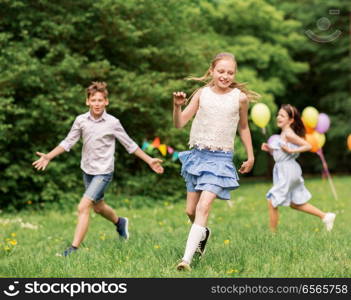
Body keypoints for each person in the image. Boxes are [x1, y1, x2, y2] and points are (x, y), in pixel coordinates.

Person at [32, 81, 164, 256]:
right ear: (87, 101)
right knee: (98, 207)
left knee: (83, 207)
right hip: (87, 170)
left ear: (106, 102)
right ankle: (120, 222)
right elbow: (68, 142)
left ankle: (72, 249)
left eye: (100, 100)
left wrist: (149, 160)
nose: (97, 103)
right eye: (93, 100)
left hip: (104, 172)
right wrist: (48, 156)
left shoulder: (113, 122)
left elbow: (130, 145)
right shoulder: (80, 120)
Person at [173, 52, 258, 271]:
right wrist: (177, 106)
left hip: (220, 159)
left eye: (230, 72)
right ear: (212, 70)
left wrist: (251, 155)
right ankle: (203, 233)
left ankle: (186, 260)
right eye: (221, 71)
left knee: (204, 206)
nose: (225, 76)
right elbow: (180, 123)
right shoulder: (202, 94)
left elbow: (244, 127)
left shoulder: (239, 98)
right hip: (197, 157)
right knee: (190, 211)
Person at [261, 104, 336, 232]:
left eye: (282, 116)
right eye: (278, 115)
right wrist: (271, 150)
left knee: (271, 200)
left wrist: (290, 150)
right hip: (289, 170)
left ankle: (272, 234)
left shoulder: (289, 134)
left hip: (288, 172)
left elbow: (307, 145)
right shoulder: (285, 133)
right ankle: (326, 216)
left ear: (291, 120)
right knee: (295, 203)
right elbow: (282, 153)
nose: (278, 117)